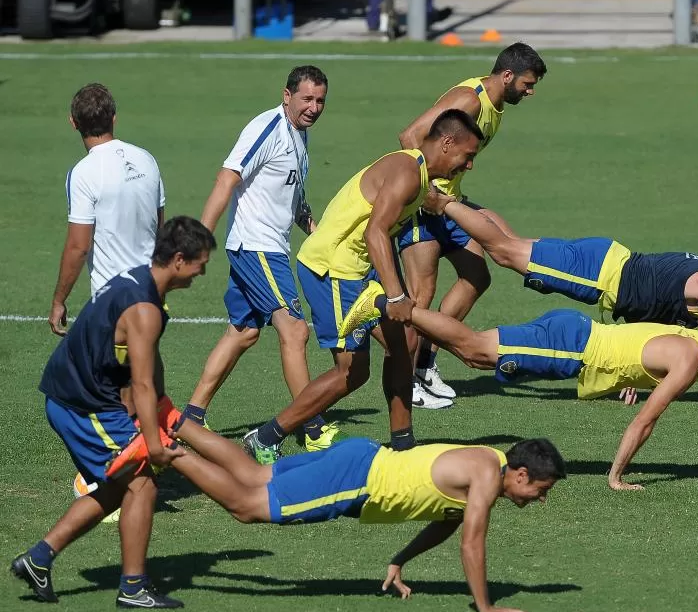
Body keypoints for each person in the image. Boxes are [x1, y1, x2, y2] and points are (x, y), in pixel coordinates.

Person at [341, 287, 698, 491]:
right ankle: (382, 303)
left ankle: (385, 308)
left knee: (474, 350)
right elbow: (646, 419)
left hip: (575, 343)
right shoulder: (691, 357)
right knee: (473, 350)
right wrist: (615, 474)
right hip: (572, 346)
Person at [106, 407, 564, 612]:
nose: (539, 500)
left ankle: (174, 421)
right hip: (356, 481)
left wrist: (400, 559)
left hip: (359, 457)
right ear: (521, 474)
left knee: (252, 475)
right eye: (540, 490)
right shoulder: (486, 477)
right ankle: (167, 451)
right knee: (247, 507)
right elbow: (472, 541)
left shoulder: (487, 462)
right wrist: (485, 607)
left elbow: (446, 522)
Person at [239, 109, 483, 464]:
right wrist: (397, 295)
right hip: (333, 270)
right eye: (468, 156)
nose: (469, 165)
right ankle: (265, 437)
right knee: (351, 373)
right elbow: (375, 232)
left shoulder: (420, 174)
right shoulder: (407, 172)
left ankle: (402, 446)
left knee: (406, 342)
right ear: (447, 143)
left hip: (359, 269)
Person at [10, 217, 216, 608]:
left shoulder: (139, 282)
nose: (202, 271)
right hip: (83, 404)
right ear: (177, 259)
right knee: (143, 482)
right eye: (199, 263)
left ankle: (39, 558)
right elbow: (138, 383)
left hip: (75, 395)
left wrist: (156, 408)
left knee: (118, 484)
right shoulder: (144, 308)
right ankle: (134, 588)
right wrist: (154, 445)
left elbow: (146, 366)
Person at [184, 66, 335, 448]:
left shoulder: (300, 136)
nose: (314, 108)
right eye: (306, 99)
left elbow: (294, 201)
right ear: (287, 96)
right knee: (295, 329)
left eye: (320, 101)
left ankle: (191, 418)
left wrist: (320, 236)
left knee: (243, 332)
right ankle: (312, 427)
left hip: (267, 247)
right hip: (258, 247)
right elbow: (227, 178)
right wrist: (200, 235)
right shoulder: (266, 129)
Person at [397, 42, 547, 408]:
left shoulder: (494, 107)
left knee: (477, 276)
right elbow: (410, 136)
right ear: (507, 75)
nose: (530, 93)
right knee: (419, 297)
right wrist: (426, 190)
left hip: (449, 205)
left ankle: (424, 365)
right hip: (423, 205)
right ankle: (404, 384)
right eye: (527, 84)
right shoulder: (471, 100)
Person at [48, 83, 167, 518]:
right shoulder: (147, 159)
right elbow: (159, 224)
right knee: (146, 378)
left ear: (74, 123)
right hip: (150, 292)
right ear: (114, 118)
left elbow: (79, 246)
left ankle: (111, 479)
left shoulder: (84, 172)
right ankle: (144, 458)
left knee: (114, 390)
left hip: (112, 302)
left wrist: (60, 299)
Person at [435, 199, 698, 333]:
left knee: (511, 241)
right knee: (503, 251)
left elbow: (653, 308)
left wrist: (636, 368)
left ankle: (465, 205)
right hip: (600, 274)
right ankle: (443, 203)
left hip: (606, 257)